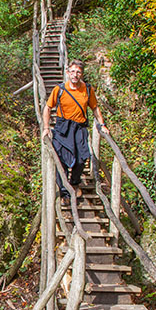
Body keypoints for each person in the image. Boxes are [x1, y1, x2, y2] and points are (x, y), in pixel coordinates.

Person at [42, 60, 110, 203]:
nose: (75, 75)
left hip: (79, 128)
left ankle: (74, 182)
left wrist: (102, 124)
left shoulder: (87, 89)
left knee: (81, 158)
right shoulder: (59, 89)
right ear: (67, 72)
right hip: (63, 128)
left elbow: (95, 108)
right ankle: (65, 194)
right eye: (72, 71)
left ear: (82, 74)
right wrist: (46, 128)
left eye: (78, 72)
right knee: (62, 161)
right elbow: (48, 108)